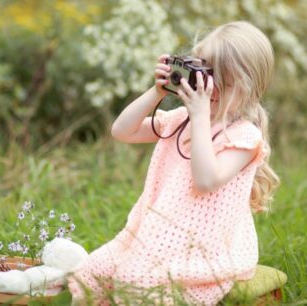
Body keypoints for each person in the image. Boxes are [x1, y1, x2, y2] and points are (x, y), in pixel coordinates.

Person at [67, 21, 280, 306]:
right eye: (204, 73)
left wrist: (201, 116)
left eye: (221, 80)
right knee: (91, 271)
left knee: (135, 283)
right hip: (156, 236)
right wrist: (157, 92)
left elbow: (206, 180)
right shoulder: (182, 119)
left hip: (207, 249)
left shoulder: (244, 137)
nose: (208, 86)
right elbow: (122, 131)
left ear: (246, 86)